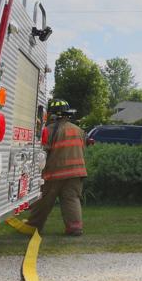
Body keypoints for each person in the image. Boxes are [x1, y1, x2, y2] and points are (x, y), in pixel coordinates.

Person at [27, 98, 86, 236]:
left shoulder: (49, 130)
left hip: (55, 173)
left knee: (43, 200)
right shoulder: (79, 130)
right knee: (71, 199)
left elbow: (43, 153)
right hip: (77, 173)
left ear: (52, 114)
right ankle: (75, 228)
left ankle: (33, 226)